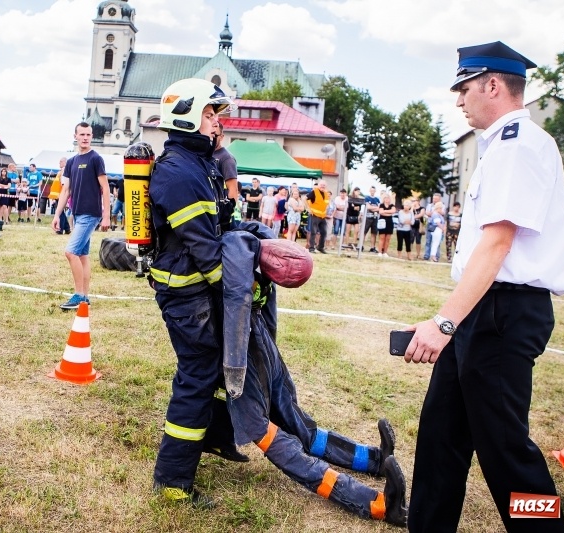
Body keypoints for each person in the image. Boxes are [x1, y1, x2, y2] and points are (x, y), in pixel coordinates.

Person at [402, 41, 564, 532]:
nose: (459, 100)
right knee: (441, 438)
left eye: (465, 88)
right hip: (485, 309)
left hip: (504, 312)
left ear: (493, 85)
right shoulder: (504, 143)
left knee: (507, 455)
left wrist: (443, 322)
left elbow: (497, 245)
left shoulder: (519, 144)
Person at [220, 224, 407, 526]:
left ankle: (374, 481)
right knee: (293, 436)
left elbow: (245, 306)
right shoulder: (252, 242)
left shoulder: (241, 248)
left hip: (254, 352)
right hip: (255, 352)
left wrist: (245, 367)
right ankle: (373, 481)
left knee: (289, 433)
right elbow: (251, 307)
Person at [147, 78, 241, 506]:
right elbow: (203, 247)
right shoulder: (178, 171)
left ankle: (216, 439)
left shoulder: (197, 161)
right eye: (209, 113)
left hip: (199, 291)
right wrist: (237, 291)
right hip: (188, 296)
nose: (215, 122)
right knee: (197, 375)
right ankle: (172, 482)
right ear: (187, 115)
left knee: (214, 367)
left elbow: (219, 222)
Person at [53, 122, 110, 309]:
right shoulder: (71, 162)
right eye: (82, 134)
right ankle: (84, 296)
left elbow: (105, 187)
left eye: (88, 134)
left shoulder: (96, 159)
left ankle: (78, 296)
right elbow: (65, 190)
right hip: (77, 214)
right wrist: (57, 215)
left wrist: (106, 215)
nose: (85, 137)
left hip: (90, 213)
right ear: (75, 136)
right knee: (83, 255)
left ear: (91, 136)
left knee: (70, 252)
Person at [213, 122, 238, 202]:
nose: (212, 138)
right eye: (210, 134)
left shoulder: (226, 158)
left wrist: (227, 212)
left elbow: (233, 190)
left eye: (215, 135)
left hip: (218, 208)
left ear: (221, 137)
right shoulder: (204, 155)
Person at [306, 180, 329, 253]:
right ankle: (311, 248)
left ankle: (320, 247)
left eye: (324, 185)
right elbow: (305, 199)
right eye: (321, 185)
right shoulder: (314, 192)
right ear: (318, 185)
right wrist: (308, 209)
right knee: (313, 232)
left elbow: (326, 204)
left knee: (324, 232)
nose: (322, 186)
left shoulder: (326, 194)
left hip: (322, 216)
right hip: (315, 215)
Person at [48, 157, 70, 235]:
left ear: (65, 162)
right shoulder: (60, 171)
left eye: (61, 161)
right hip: (58, 194)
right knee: (61, 212)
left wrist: (62, 194)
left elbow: (63, 183)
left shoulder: (64, 170)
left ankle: (60, 229)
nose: (59, 163)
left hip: (60, 194)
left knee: (60, 212)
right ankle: (67, 228)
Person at [422, 193, 444, 261]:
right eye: (434, 198)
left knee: (437, 242)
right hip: (430, 225)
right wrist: (434, 212)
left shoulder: (442, 206)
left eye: (436, 199)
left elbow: (443, 213)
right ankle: (427, 255)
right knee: (428, 241)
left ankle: (436, 256)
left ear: (439, 199)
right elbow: (427, 213)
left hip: (437, 227)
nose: (434, 200)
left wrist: (432, 213)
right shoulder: (429, 205)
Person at [376, 192, 396, 256]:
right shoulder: (381, 205)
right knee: (382, 237)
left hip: (389, 222)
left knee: (388, 238)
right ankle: (379, 252)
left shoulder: (392, 205)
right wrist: (388, 213)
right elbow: (381, 212)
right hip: (382, 222)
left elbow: (393, 211)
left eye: (388, 198)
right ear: (384, 199)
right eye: (386, 198)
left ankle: (385, 252)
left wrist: (385, 211)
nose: (387, 200)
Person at [362, 186, 380, 252]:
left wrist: (373, 208)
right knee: (364, 232)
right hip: (368, 217)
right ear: (369, 191)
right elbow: (368, 207)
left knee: (374, 233)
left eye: (374, 190)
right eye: (371, 190)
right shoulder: (367, 198)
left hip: (375, 217)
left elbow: (379, 208)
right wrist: (374, 208)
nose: (372, 191)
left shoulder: (377, 199)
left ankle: (372, 247)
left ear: (375, 191)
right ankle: (361, 246)